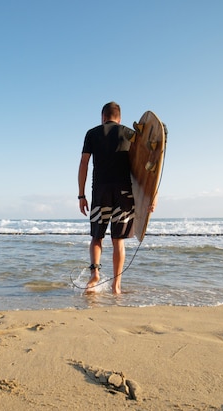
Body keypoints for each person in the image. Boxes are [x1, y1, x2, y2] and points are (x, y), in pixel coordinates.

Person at [78, 102, 136, 295]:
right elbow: (145, 167)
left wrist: (81, 195)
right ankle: (116, 285)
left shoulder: (92, 133)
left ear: (103, 117)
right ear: (119, 118)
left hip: (100, 191)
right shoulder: (130, 134)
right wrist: (149, 198)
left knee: (97, 237)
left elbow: (84, 163)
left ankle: (94, 276)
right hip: (125, 192)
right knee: (118, 240)